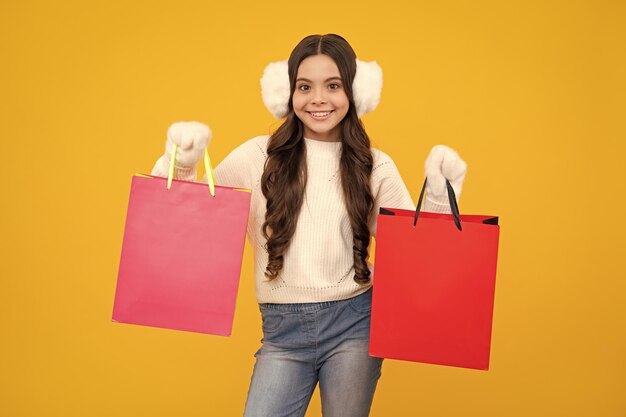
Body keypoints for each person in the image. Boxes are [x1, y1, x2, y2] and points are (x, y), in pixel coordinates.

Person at [151, 33, 467, 417]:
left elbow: (416, 253)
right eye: (305, 87)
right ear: (287, 94)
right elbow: (190, 222)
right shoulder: (256, 156)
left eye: (333, 85)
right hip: (282, 334)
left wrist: (437, 194)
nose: (318, 99)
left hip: (355, 324)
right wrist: (180, 163)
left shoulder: (374, 164)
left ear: (355, 92)